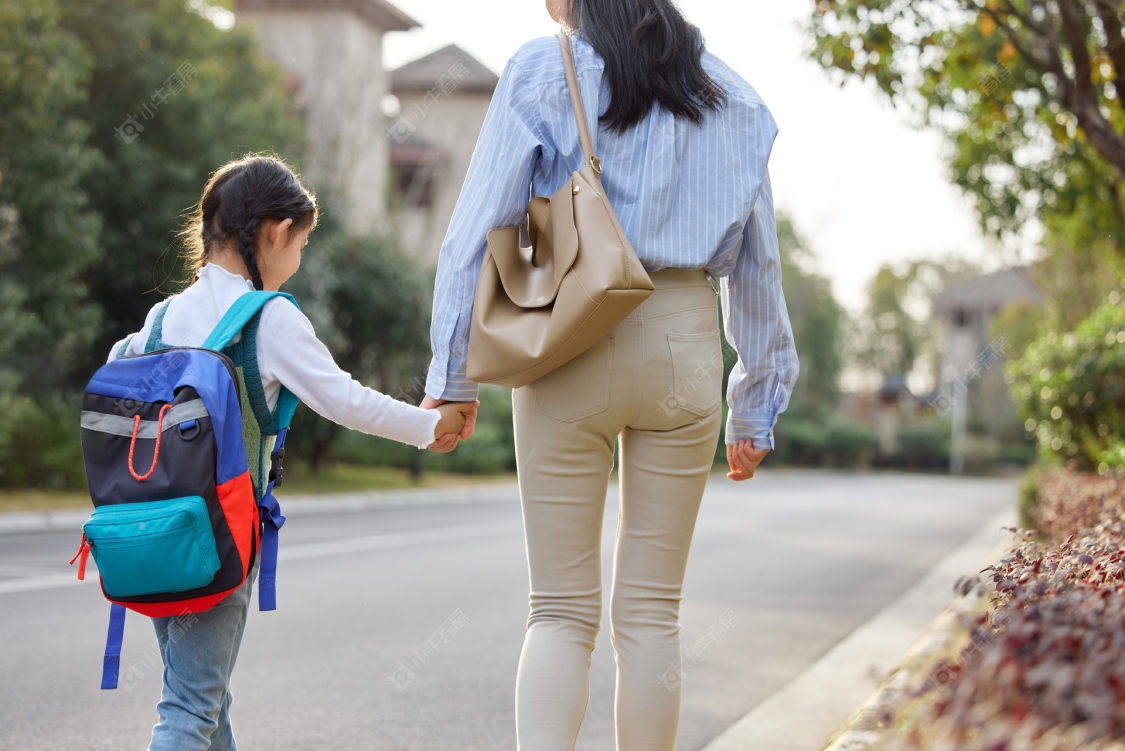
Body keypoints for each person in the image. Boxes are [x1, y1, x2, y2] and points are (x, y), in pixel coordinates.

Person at [421, 1, 799, 748]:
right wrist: (755, 406)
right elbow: (759, 270)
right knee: (652, 612)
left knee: (559, 610)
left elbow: (475, 232)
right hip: (682, 341)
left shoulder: (541, 68)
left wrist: (453, 376)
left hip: (566, 332)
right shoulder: (740, 101)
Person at [108, 154, 475, 751]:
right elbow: (344, 400)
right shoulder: (267, 318)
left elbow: (111, 377)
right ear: (274, 233)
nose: (298, 260)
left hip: (148, 532)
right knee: (190, 706)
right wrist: (429, 428)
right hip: (218, 541)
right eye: (300, 243)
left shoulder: (161, 317)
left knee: (204, 696)